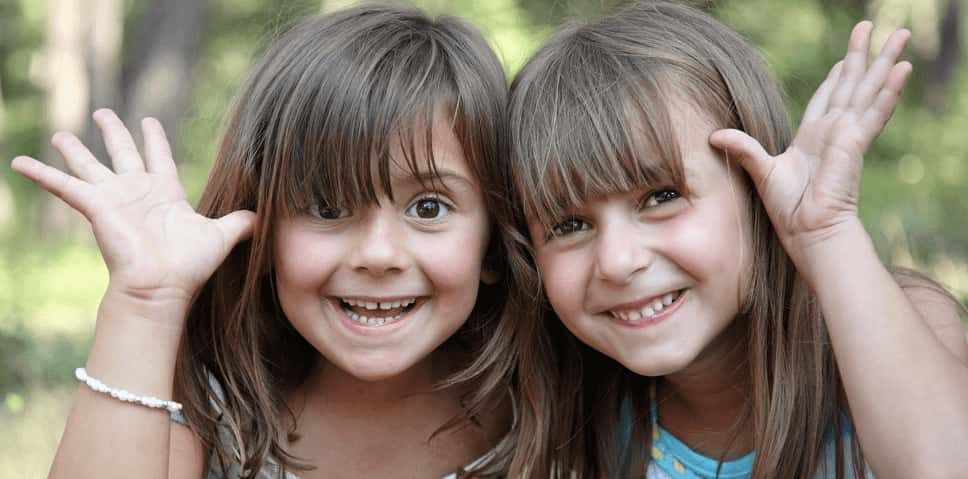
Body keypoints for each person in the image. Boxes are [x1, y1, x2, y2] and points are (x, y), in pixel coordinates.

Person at [12, 4, 532, 478]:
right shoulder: (210, 409)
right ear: (262, 231)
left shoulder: (547, 413)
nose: (378, 255)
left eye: (428, 208)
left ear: (492, 240)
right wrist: (145, 304)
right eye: (328, 208)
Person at [506, 1, 968, 478]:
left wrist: (827, 233)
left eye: (661, 196)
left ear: (757, 189)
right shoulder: (571, 405)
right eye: (569, 226)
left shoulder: (907, 320)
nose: (618, 261)